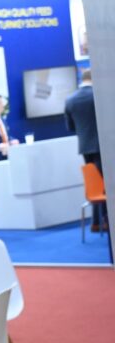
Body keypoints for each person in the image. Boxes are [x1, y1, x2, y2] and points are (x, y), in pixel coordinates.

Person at [65, 69, 106, 231]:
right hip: (104, 146)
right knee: (105, 184)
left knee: (95, 185)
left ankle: (97, 221)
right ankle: (101, 221)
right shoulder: (98, 94)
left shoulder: (70, 99)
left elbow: (70, 127)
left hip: (85, 147)